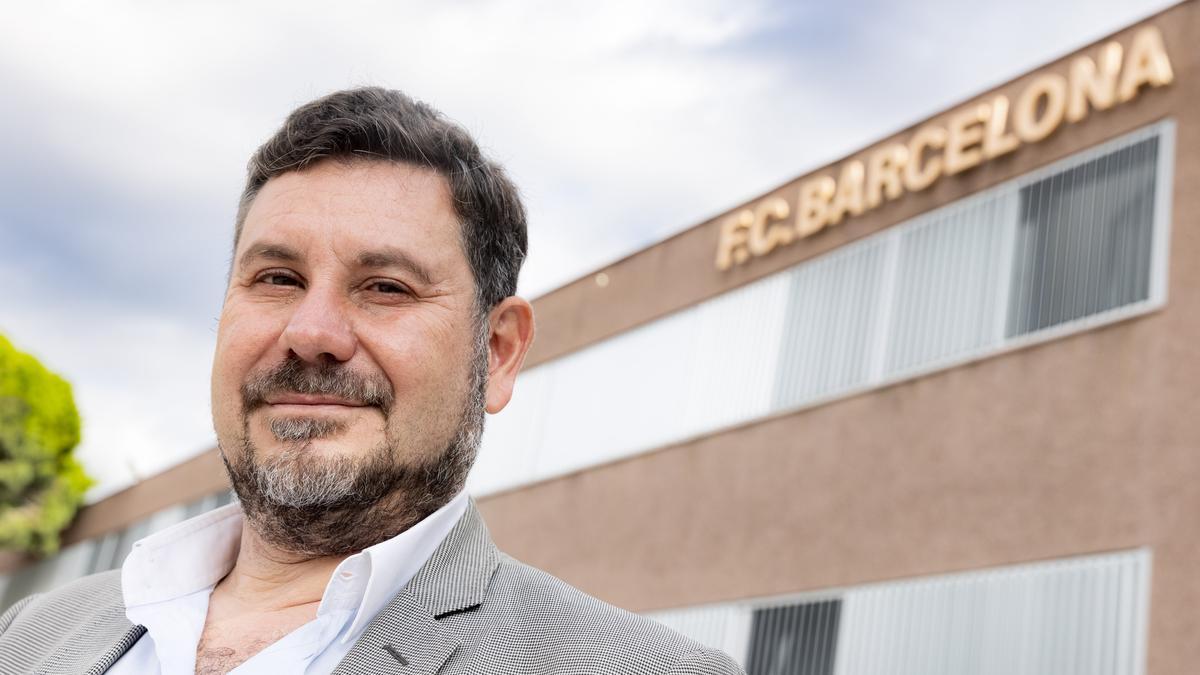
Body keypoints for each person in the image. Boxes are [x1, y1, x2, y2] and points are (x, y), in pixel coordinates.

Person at [0, 87, 743, 674]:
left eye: (385, 286)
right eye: (278, 277)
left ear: (499, 351)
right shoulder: (26, 634)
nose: (312, 333)